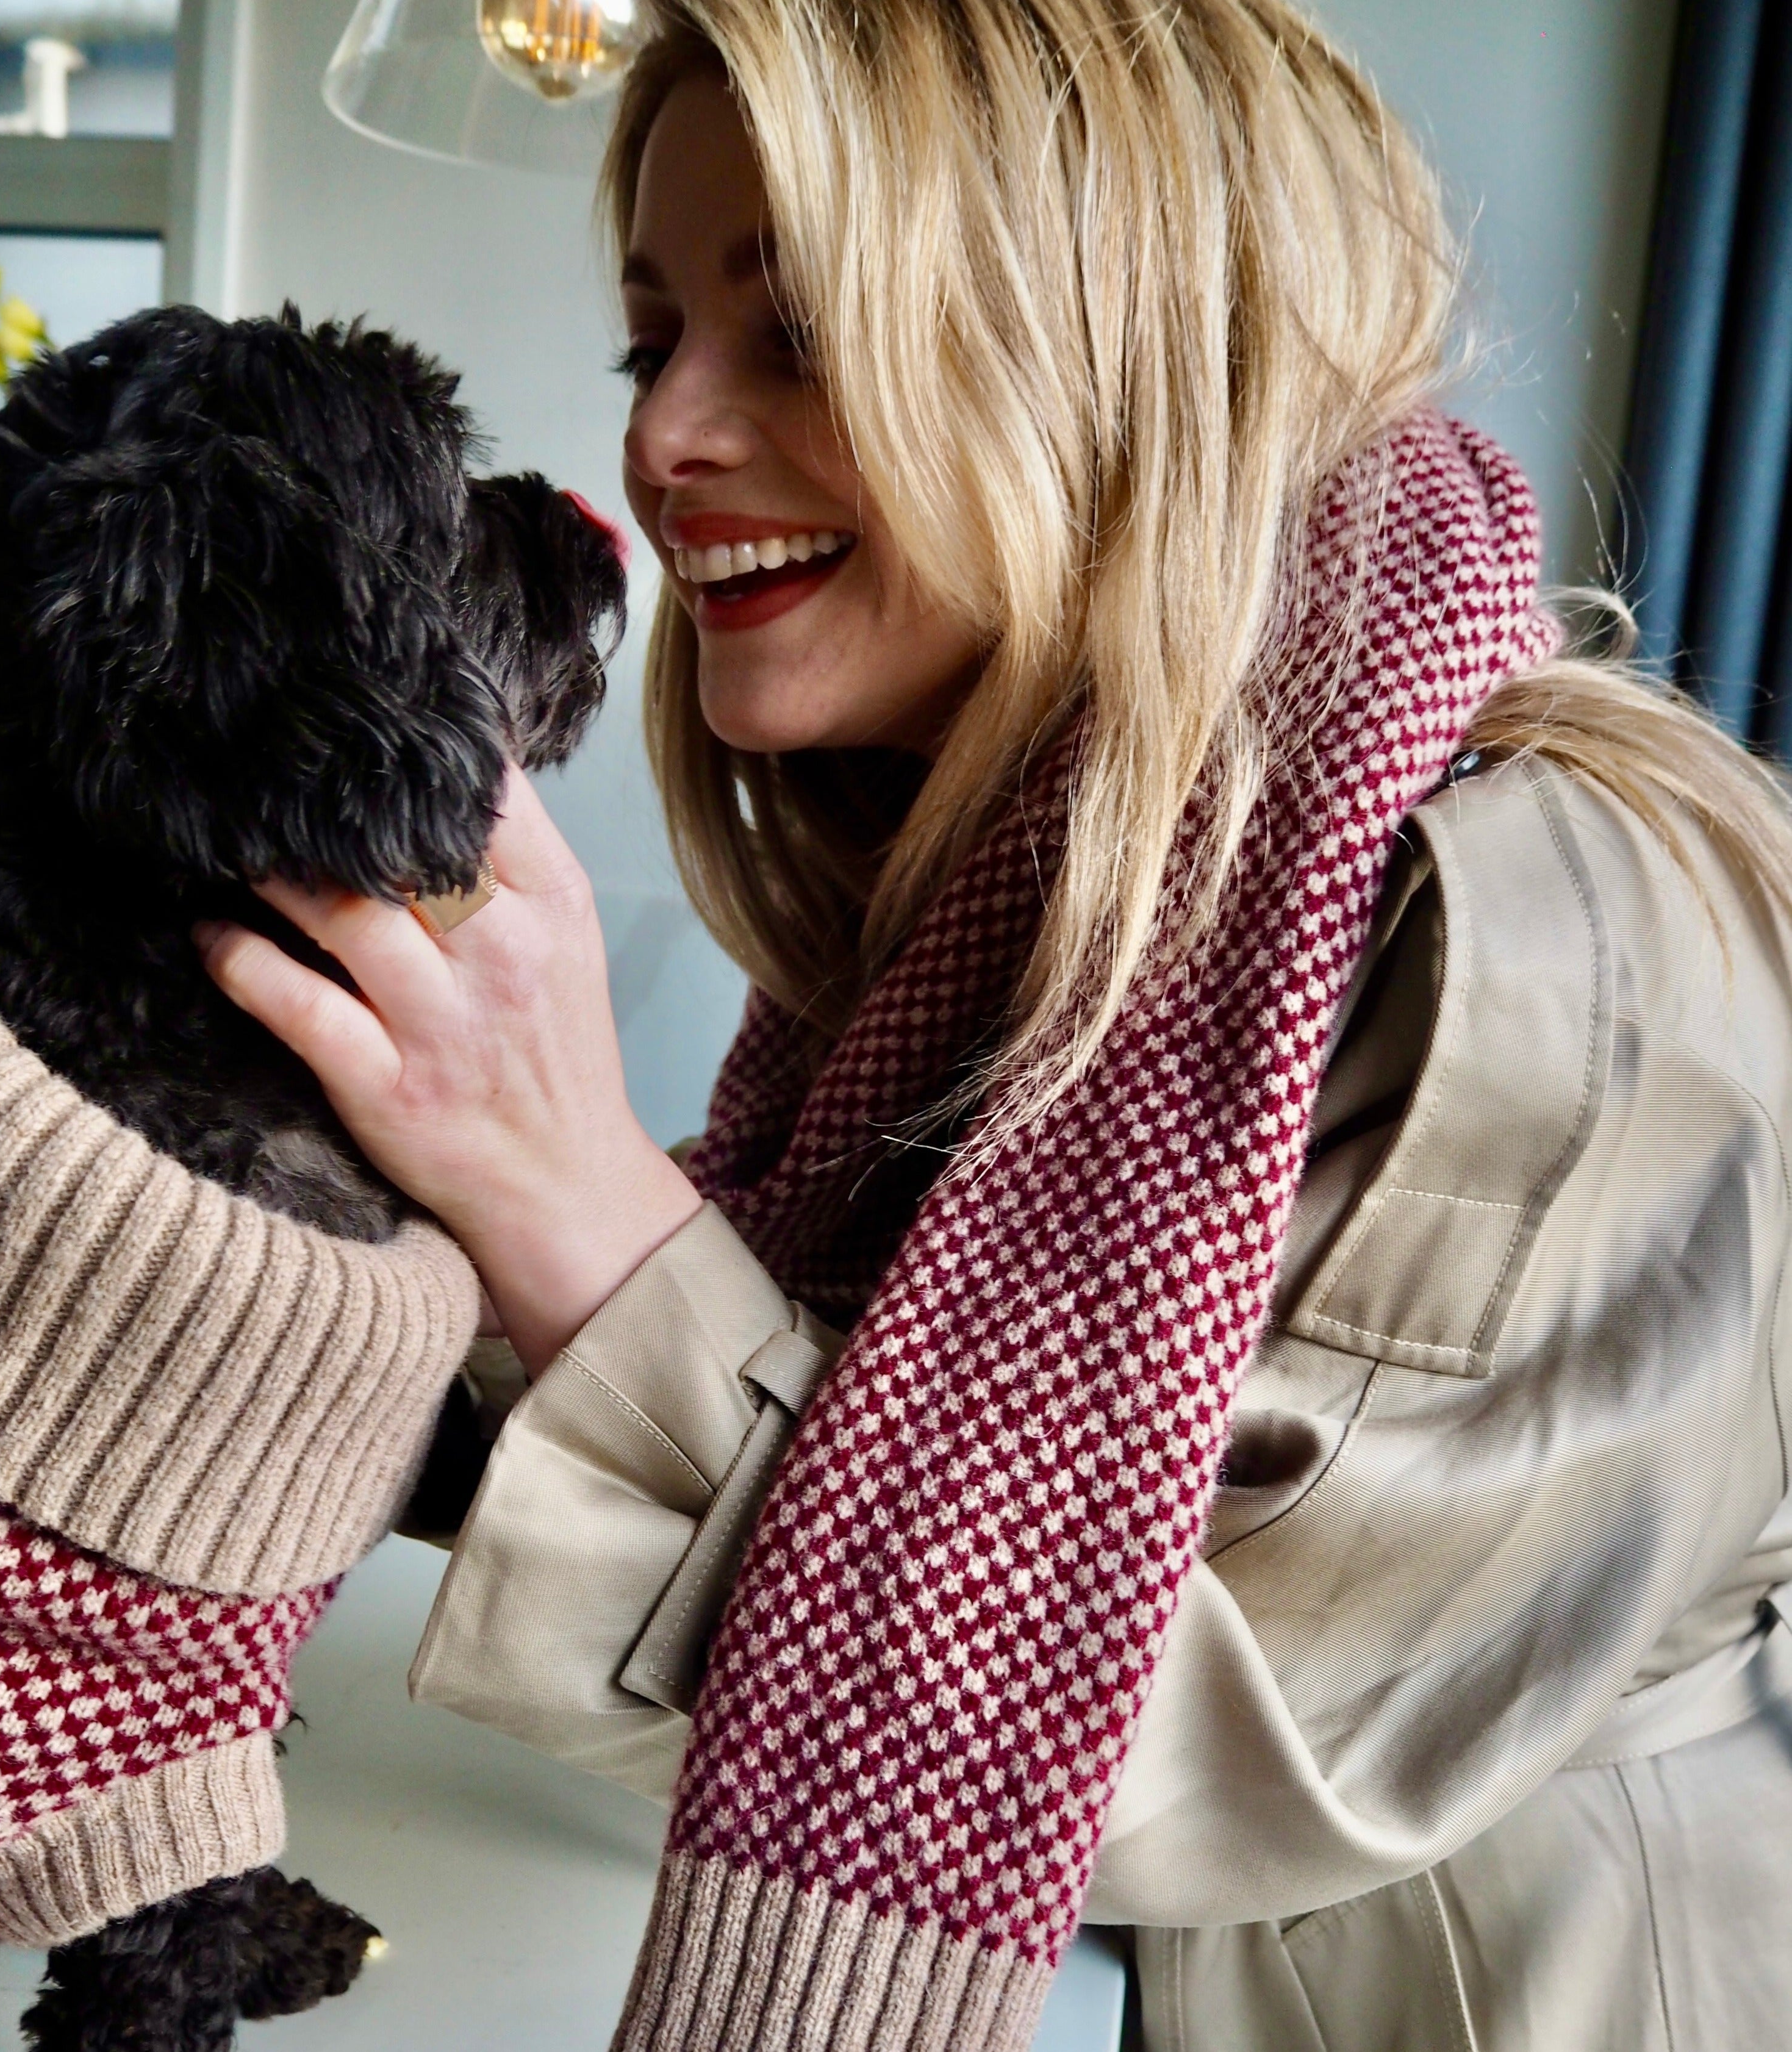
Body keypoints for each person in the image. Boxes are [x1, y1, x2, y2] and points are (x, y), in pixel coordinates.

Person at [196, 3, 1792, 2046]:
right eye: (650, 338)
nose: (662, 437)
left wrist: (562, 1190)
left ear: (1112, 355)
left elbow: (1179, 1746)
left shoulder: (1555, 928)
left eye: (802, 332)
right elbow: (861, 1401)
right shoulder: (1017, 867)